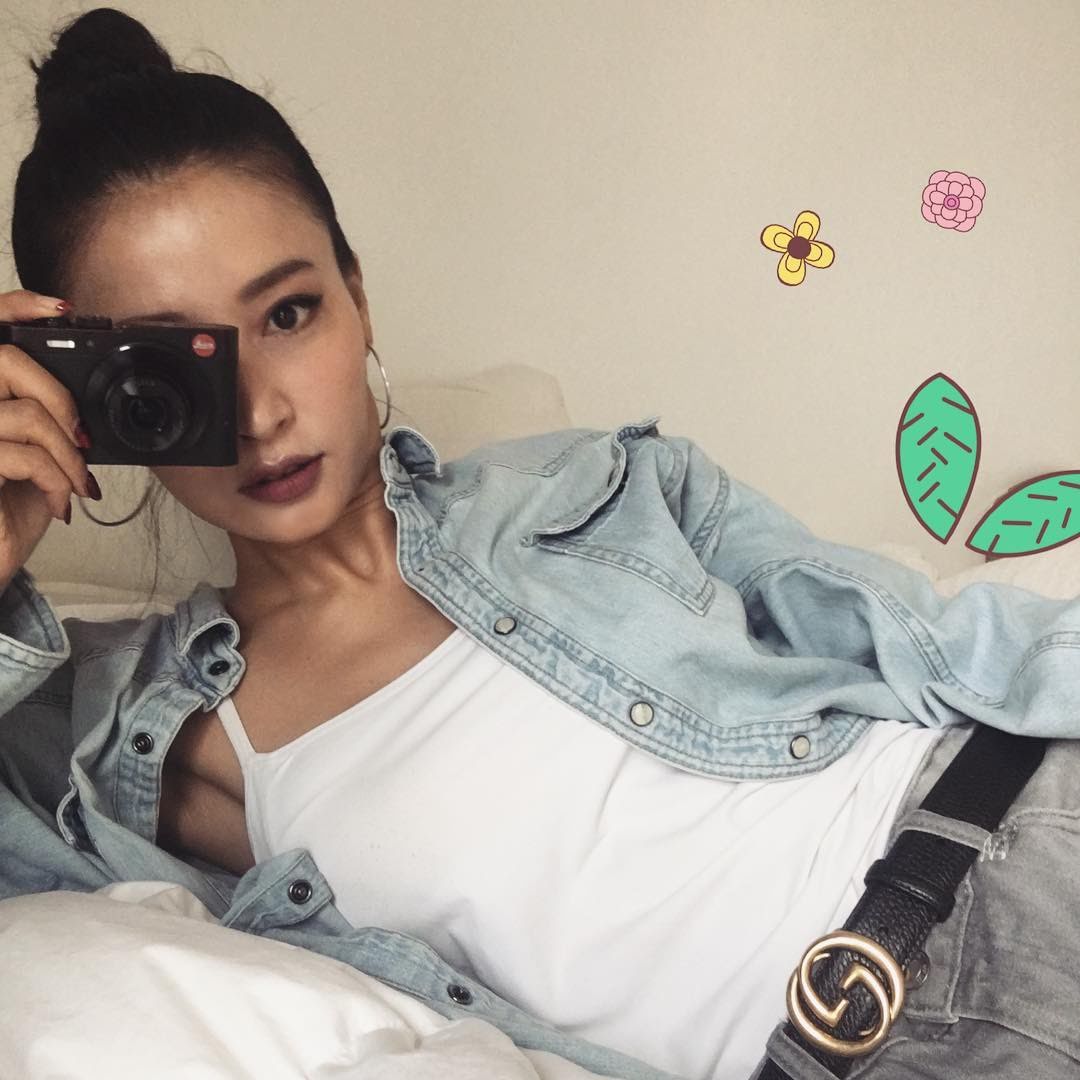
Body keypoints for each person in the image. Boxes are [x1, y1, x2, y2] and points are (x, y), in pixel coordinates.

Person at [0, 9, 1077, 1080]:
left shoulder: (587, 483)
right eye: (174, 367)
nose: (260, 411)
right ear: (84, 395)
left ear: (357, 298)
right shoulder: (135, 735)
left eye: (288, 314)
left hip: (1021, 838)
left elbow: (916, 631)